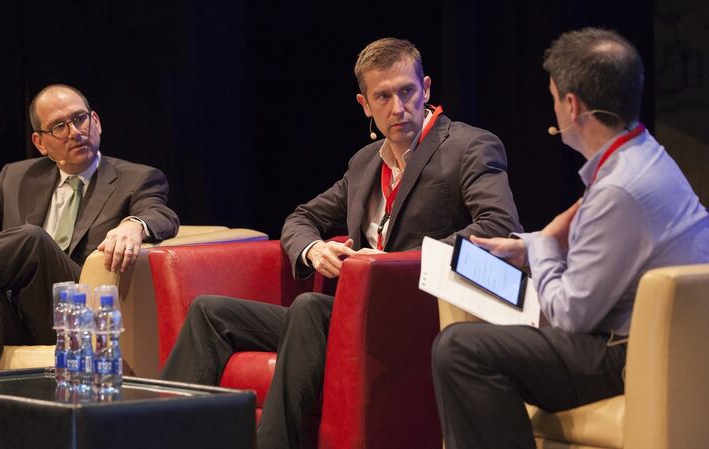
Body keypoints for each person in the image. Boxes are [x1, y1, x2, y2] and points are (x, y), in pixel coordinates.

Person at [160, 37, 522, 449]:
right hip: (353, 312)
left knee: (311, 307)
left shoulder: (468, 146)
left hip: (421, 310)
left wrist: (388, 263)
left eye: (406, 91)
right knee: (210, 312)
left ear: (426, 88)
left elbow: (497, 227)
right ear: (365, 104)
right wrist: (313, 250)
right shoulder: (365, 163)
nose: (397, 107)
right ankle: (156, 435)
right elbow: (302, 218)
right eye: (382, 96)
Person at [431, 28, 709, 449]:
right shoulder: (643, 154)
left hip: (626, 352)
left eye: (555, 97)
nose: (555, 108)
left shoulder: (618, 189)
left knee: (461, 350)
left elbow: (570, 316)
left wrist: (542, 244)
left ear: (572, 106)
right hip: (645, 336)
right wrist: (530, 250)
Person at [0, 84, 179, 374]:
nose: (75, 132)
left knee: (32, 239)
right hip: (17, 314)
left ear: (96, 121)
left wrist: (135, 225)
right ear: (40, 143)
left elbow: (159, 213)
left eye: (80, 118)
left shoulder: (136, 179)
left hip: (74, 310)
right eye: (59, 126)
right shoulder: (17, 177)